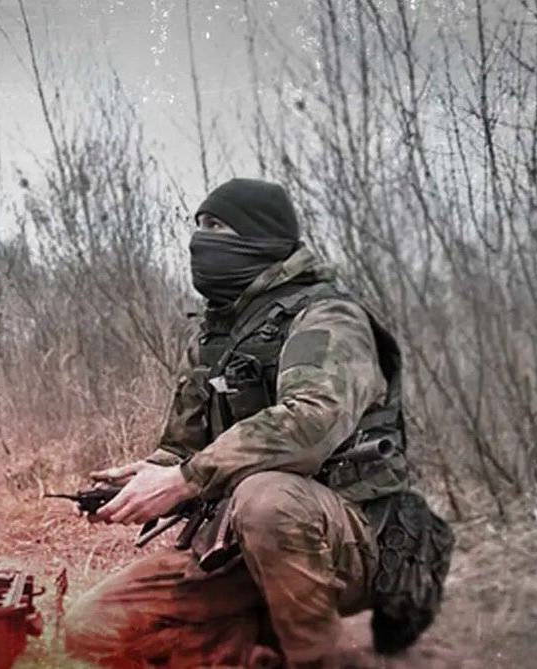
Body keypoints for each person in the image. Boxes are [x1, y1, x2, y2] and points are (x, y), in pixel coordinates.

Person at [64, 178, 453, 668]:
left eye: (217, 226)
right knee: (92, 628)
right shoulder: (214, 337)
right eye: (200, 226)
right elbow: (184, 448)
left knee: (267, 498)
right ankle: (262, 649)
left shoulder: (328, 317)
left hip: (349, 539)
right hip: (238, 547)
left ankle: (317, 659)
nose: (201, 240)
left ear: (261, 238)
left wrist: (184, 480)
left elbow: (310, 422)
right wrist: (146, 477)